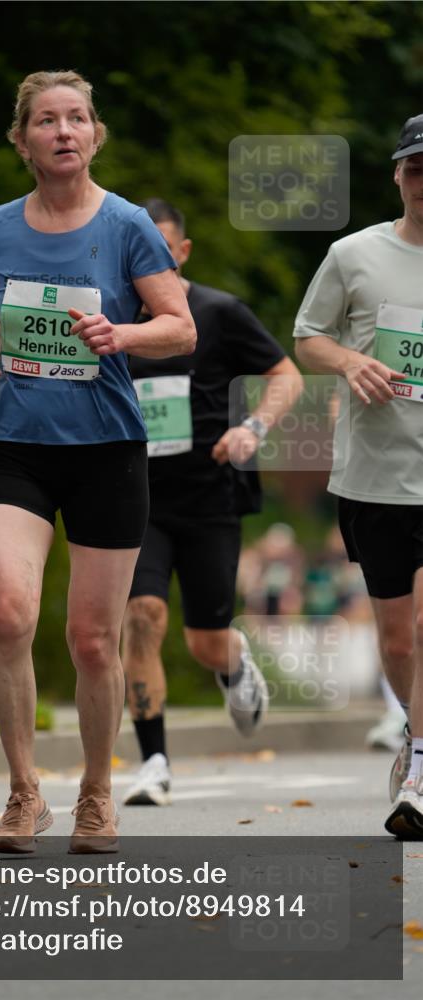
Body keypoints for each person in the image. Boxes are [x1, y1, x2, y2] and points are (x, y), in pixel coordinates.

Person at [0, 74, 195, 852]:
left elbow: (180, 327)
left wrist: (119, 337)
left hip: (107, 451)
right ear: (21, 139)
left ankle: (96, 795)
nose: (63, 131)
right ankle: (24, 793)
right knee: (7, 612)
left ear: (94, 135)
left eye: (77, 118)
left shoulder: (128, 225)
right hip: (16, 446)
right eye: (46, 121)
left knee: (93, 640)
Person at [122, 199, 303, 806]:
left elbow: (287, 375)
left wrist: (253, 427)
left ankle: (231, 663)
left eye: (163, 248)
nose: (152, 259)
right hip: (135, 500)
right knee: (141, 617)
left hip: (211, 497)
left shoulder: (219, 312)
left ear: (182, 251)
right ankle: (153, 761)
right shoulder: (109, 318)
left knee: (204, 638)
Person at [294, 114, 423, 839]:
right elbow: (306, 337)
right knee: (398, 640)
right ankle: (414, 730)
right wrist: (349, 361)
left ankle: (420, 769)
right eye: (415, 168)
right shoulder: (353, 254)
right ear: (397, 175)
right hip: (374, 475)